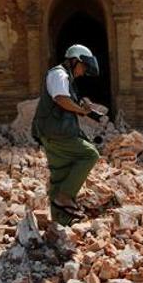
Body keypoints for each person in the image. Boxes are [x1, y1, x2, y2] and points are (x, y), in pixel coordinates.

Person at [31, 44, 104, 226]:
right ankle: (65, 197)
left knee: (60, 173)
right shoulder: (59, 74)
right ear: (74, 61)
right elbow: (61, 99)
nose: (83, 72)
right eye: (83, 67)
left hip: (52, 132)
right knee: (90, 154)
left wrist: (83, 108)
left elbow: (66, 100)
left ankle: (60, 222)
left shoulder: (65, 78)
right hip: (57, 132)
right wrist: (81, 110)